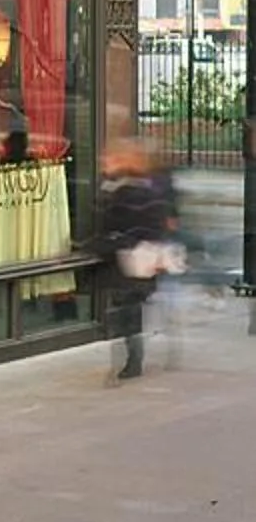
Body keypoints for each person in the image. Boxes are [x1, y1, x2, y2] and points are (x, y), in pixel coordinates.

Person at [95, 138, 181, 380]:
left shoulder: (130, 188)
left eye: (112, 158)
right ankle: (133, 358)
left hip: (134, 260)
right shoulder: (129, 186)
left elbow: (126, 224)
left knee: (129, 311)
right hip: (136, 259)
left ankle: (132, 360)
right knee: (132, 311)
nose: (106, 162)